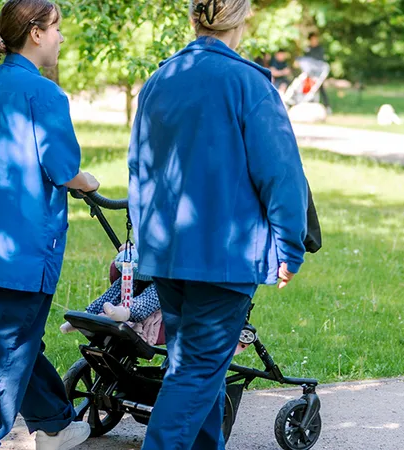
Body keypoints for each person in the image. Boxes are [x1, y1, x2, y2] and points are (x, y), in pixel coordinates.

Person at [127, 0, 309, 448]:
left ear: (194, 17)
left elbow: (139, 169)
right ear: (242, 19)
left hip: (166, 253)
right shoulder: (250, 83)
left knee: (194, 365)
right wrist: (290, 248)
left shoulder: (158, 80)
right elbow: (282, 175)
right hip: (224, 257)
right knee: (196, 371)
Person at [0, 1, 98, 449]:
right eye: (56, 29)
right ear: (35, 33)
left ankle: (53, 424)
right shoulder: (44, 93)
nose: (60, 37)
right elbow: (63, 167)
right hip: (27, 248)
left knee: (12, 338)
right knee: (7, 351)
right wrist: (87, 180)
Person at [304, 32, 331, 111]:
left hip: (319, 73)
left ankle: (327, 106)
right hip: (310, 73)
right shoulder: (307, 49)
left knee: (321, 88)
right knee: (309, 88)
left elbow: (321, 62)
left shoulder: (320, 49)